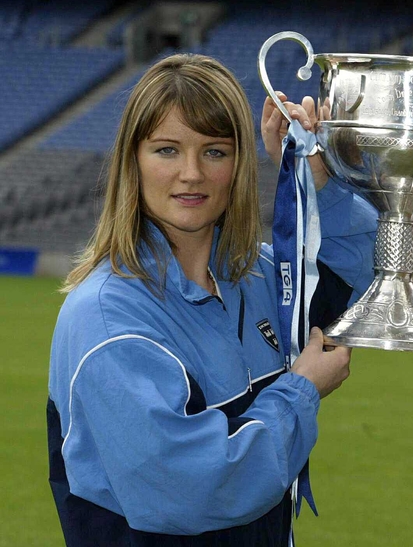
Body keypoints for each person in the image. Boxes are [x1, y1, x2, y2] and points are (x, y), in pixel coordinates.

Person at [46, 53, 377, 546]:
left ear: (239, 165)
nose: (192, 173)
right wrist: (300, 392)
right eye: (166, 150)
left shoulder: (260, 276)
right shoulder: (108, 318)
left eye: (215, 152)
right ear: (131, 161)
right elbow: (189, 487)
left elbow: (368, 269)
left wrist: (314, 183)